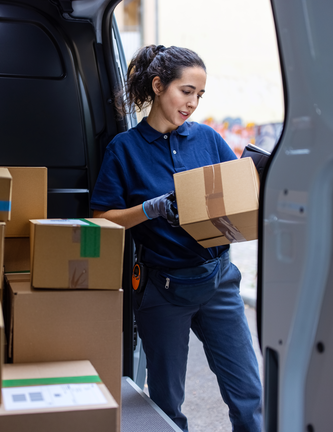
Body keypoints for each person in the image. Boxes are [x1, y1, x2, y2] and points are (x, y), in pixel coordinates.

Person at [90, 45, 263, 432]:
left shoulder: (209, 139)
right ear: (158, 85)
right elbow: (101, 219)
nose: (193, 103)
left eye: (199, 95)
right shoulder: (124, 149)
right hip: (164, 290)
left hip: (219, 281)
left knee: (249, 396)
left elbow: (238, 196)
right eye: (186, 91)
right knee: (167, 405)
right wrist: (149, 209)